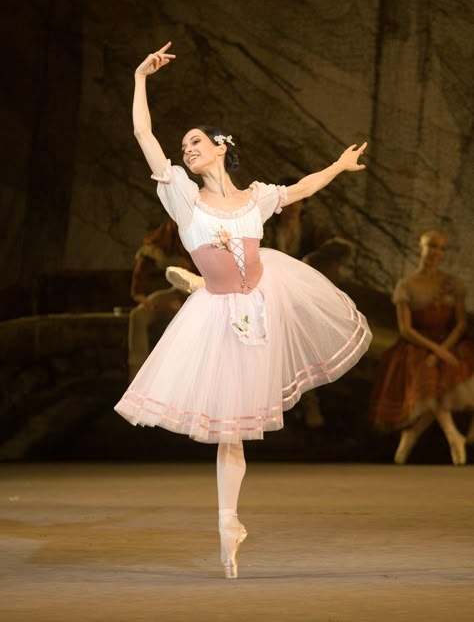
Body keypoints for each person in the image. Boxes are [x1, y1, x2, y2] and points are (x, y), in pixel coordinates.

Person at [114, 42, 372, 579]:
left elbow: (301, 188)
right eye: (183, 144)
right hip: (217, 311)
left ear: (219, 148)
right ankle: (227, 525)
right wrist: (140, 77)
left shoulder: (256, 198)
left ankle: (231, 520)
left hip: (259, 300)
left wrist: (340, 166)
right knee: (225, 427)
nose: (187, 149)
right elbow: (144, 135)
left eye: (196, 142)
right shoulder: (182, 196)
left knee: (239, 429)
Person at [370, 229, 474, 465]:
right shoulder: (407, 285)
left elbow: (460, 324)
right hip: (416, 344)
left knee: (448, 379)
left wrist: (443, 350)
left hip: (448, 343)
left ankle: (411, 435)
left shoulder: (453, 284)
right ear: (421, 247)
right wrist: (434, 352)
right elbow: (406, 329)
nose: (436, 253)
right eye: (432, 246)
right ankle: (453, 436)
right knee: (426, 378)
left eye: (441, 248)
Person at [128, 220, 191, 380]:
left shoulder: (209, 232)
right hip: (175, 292)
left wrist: (186, 302)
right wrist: (139, 293)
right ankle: (138, 377)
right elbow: (146, 258)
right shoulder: (170, 230)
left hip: (199, 296)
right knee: (138, 315)